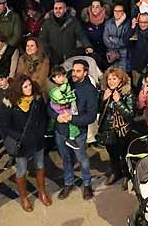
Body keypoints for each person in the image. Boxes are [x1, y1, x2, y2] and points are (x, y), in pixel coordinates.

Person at [0, 75, 51, 210]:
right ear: (18, 88)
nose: (29, 89)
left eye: (30, 85)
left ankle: (42, 192)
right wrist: (19, 137)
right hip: (21, 142)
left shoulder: (37, 99)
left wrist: (41, 132)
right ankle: (24, 197)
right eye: (25, 86)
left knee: (40, 164)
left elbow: (43, 117)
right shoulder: (9, 103)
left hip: (37, 139)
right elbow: (5, 126)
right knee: (21, 169)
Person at [49, 60, 98, 199]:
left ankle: (87, 184)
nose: (74, 74)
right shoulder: (65, 82)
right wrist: (56, 117)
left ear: (85, 72)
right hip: (61, 130)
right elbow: (50, 105)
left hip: (78, 133)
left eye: (78, 71)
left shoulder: (90, 90)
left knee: (82, 159)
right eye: (73, 70)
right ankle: (68, 182)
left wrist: (72, 119)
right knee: (65, 158)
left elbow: (91, 116)